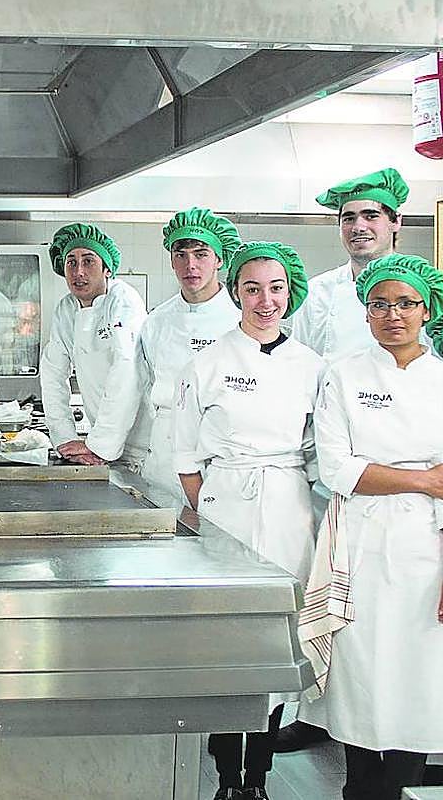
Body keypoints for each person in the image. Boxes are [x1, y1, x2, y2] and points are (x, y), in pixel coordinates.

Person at [173, 241, 323, 800]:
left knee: (277, 642)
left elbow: (316, 452)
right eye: (253, 288)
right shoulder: (208, 363)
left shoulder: (311, 366)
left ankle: (257, 778)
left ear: (290, 293)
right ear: (234, 290)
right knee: (222, 640)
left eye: (276, 288)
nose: (265, 300)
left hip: (287, 504)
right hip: (226, 504)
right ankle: (225, 774)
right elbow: (186, 453)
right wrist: (209, 513)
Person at [300, 254, 443, 800]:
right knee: (362, 673)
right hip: (358, 545)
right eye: (379, 304)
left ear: (426, 308)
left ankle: (397, 788)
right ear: (365, 313)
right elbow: (338, 469)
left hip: (428, 551)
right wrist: (428, 480)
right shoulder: (344, 375)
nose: (393, 315)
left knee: (420, 677)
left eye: (406, 303)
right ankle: (359, 787)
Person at [136, 207, 242, 507]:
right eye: (180, 255)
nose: (190, 265)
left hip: (219, 462)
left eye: (201, 254)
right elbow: (143, 393)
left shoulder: (240, 319)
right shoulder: (156, 321)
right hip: (162, 465)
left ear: (220, 259)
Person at [39, 222, 148, 465]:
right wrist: (64, 439)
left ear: (106, 269)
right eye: (71, 262)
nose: (79, 272)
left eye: (88, 261)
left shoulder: (122, 300)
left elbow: (127, 369)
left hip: (143, 445)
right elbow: (52, 374)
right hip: (102, 439)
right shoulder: (66, 309)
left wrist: (100, 445)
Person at [291, 169, 413, 364]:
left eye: (371, 216)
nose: (358, 227)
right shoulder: (316, 292)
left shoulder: (423, 290)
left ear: (396, 221)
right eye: (349, 218)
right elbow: (300, 368)